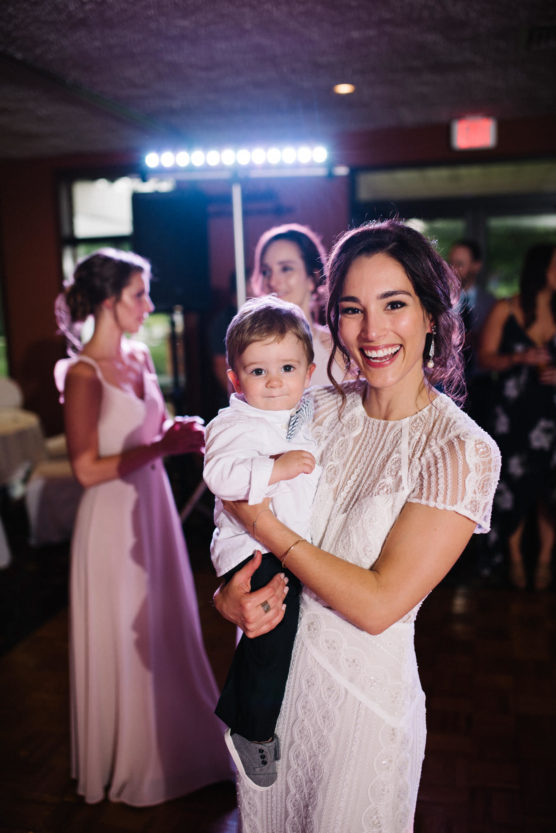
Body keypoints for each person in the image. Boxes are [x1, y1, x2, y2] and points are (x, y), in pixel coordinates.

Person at [212, 219, 501, 832]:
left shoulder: (460, 450)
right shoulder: (314, 408)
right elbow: (233, 490)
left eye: (393, 304)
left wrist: (263, 525)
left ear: (432, 314)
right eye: (351, 309)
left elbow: (378, 605)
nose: (371, 332)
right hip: (274, 696)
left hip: (360, 711)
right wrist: (227, 594)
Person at [54, 248, 231, 806]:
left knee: (163, 627)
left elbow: (149, 435)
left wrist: (175, 433)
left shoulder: (140, 357)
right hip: (109, 522)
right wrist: (162, 444)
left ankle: (176, 744)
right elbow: (86, 468)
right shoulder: (83, 374)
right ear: (109, 301)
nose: (149, 305)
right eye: (139, 294)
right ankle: (130, 761)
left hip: (152, 510)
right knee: (125, 633)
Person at [203, 295, 320, 788]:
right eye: (257, 371)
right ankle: (250, 726)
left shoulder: (305, 415)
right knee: (271, 631)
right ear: (235, 379)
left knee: (282, 631)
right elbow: (220, 474)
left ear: (308, 373)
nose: (274, 381)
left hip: (284, 545)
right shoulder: (235, 423)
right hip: (249, 550)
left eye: (287, 367)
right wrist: (276, 468)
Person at [478, 243, 556, 590]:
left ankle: (543, 562)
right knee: (513, 489)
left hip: (551, 415)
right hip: (513, 414)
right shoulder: (505, 309)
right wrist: (517, 360)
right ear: (540, 270)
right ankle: (515, 560)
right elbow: (484, 359)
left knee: (549, 489)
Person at [250, 222, 347, 385]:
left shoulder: (339, 347)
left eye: (286, 268)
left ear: (312, 278)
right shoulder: (250, 347)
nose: (273, 281)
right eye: (266, 271)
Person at [448, 239, 496, 425]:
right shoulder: (440, 302)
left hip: (480, 383)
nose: (453, 269)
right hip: (447, 382)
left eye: (460, 264)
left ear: (476, 266)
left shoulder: (491, 303)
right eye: (450, 262)